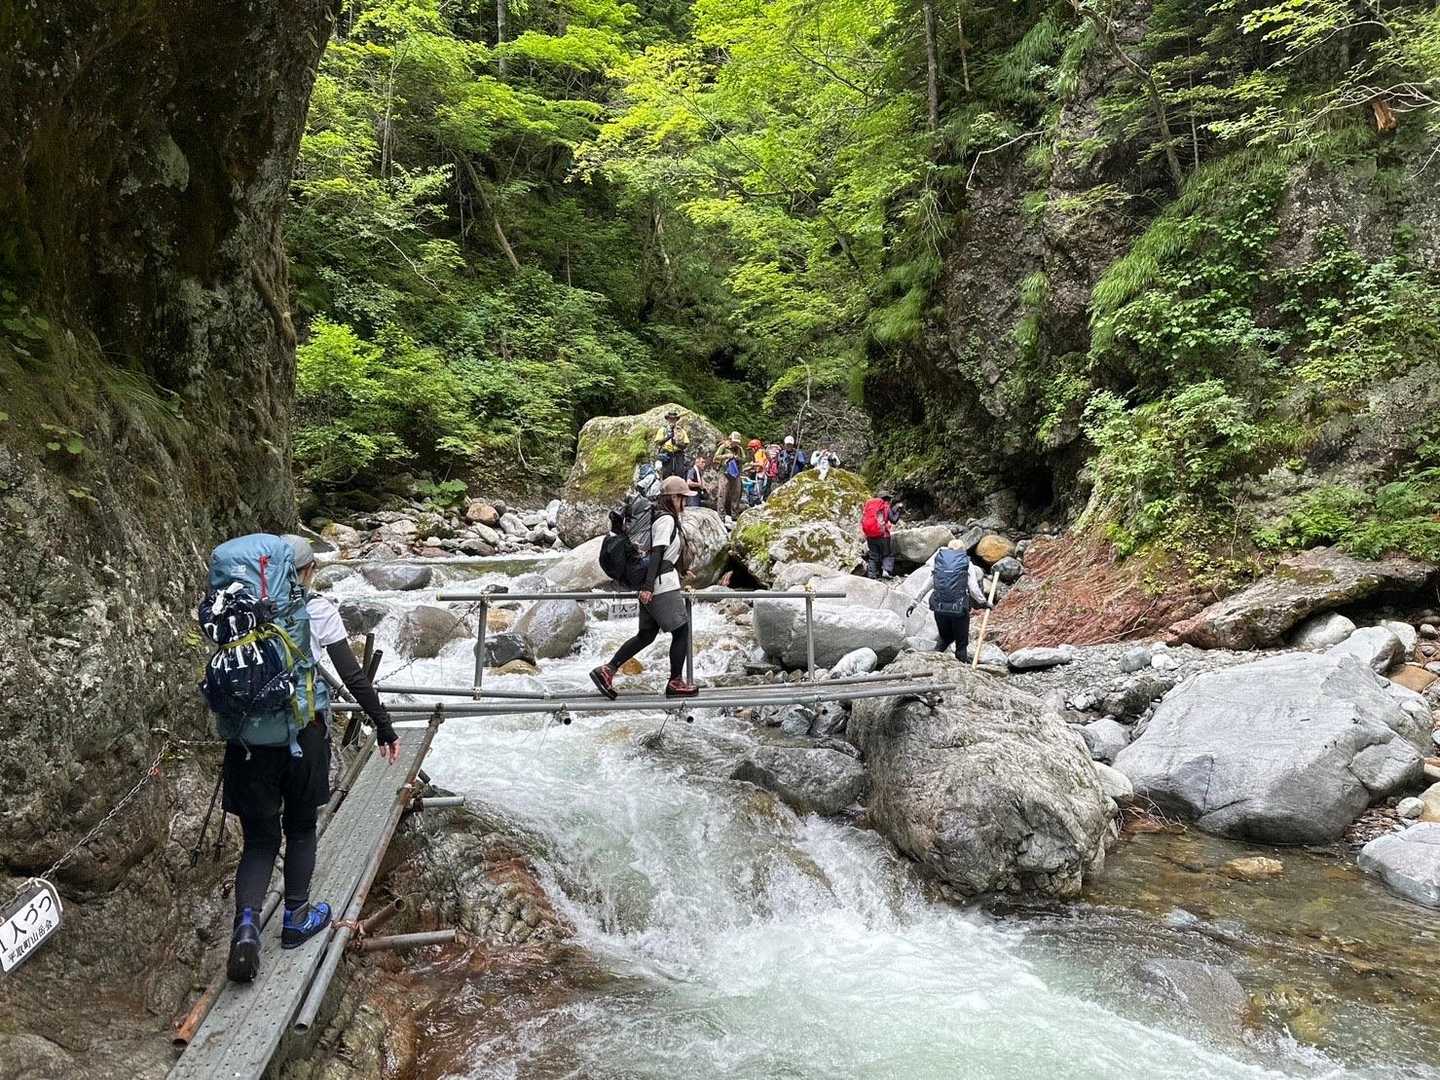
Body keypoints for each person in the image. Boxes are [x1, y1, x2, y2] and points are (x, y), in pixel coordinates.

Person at [224, 535, 398, 983]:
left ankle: (246, 929)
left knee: (259, 841)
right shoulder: (317, 610)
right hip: (305, 736)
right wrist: (383, 726)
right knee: (300, 827)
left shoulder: (234, 611)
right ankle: (296, 918)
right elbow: (353, 676)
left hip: (247, 743)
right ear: (304, 572)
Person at [590, 476, 699, 699]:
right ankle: (675, 682)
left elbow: (663, 553)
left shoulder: (660, 518)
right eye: (683, 498)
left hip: (654, 582)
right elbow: (657, 552)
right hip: (661, 585)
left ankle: (607, 670)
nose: (685, 503)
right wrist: (648, 587)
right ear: (673, 498)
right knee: (681, 631)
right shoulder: (665, 519)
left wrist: (679, 571)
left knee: (646, 635)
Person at [908, 541, 993, 662]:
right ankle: (962, 662)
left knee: (945, 638)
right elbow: (973, 588)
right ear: (962, 550)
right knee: (961, 642)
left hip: (939, 608)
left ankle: (933, 660)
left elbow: (927, 585)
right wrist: (984, 603)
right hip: (959, 609)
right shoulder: (966, 563)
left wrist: (914, 603)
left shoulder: (939, 563)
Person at [860, 490, 902, 579]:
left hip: (870, 536)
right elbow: (893, 520)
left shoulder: (870, 507)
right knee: (887, 554)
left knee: (873, 556)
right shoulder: (885, 506)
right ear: (887, 499)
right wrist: (898, 511)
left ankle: (872, 575)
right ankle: (886, 571)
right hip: (883, 536)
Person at [716, 431, 744, 519]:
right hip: (724, 472)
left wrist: (737, 458)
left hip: (736, 473)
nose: (735, 443)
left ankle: (734, 514)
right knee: (722, 493)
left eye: (737, 442)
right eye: (734, 441)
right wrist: (726, 456)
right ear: (730, 439)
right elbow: (716, 457)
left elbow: (744, 459)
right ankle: (721, 515)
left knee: (736, 493)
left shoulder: (739, 449)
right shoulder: (723, 447)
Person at [654, 410, 690, 478]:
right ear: (668, 419)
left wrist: (676, 443)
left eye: (674, 419)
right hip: (666, 454)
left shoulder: (681, 431)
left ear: (676, 420)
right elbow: (658, 442)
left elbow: (685, 445)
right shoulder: (663, 430)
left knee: (679, 474)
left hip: (678, 455)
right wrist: (668, 437)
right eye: (670, 418)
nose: (672, 420)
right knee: (666, 474)